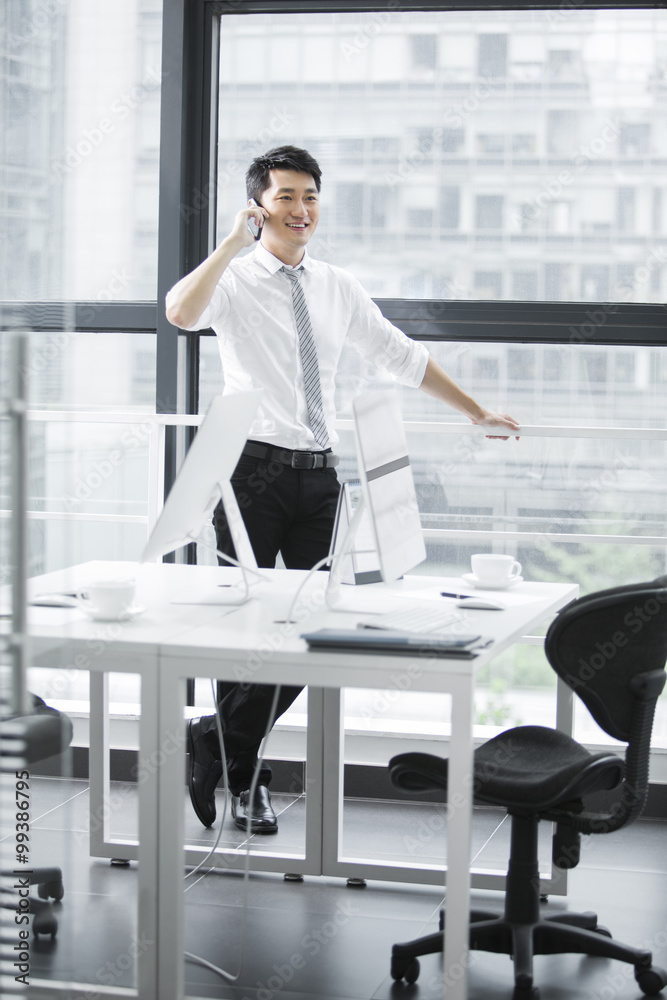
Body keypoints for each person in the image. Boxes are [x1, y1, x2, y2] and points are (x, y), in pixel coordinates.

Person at [165, 145, 519, 835]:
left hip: (320, 475)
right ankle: (244, 779)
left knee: (311, 634)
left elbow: (399, 353)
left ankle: (220, 743)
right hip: (250, 472)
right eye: (286, 197)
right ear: (258, 207)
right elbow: (181, 314)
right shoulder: (234, 281)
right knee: (245, 632)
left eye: (310, 197)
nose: (301, 211)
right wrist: (227, 247)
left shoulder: (334, 285)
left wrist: (474, 410)